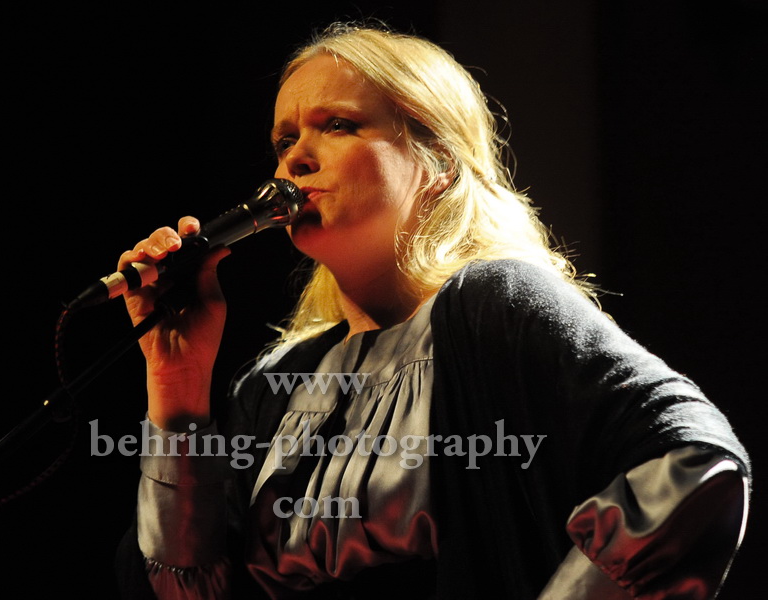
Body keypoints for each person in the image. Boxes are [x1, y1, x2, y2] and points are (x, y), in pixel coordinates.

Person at [114, 23, 750, 599]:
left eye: (336, 125)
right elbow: (187, 591)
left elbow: (694, 462)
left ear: (437, 161)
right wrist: (178, 388)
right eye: (284, 139)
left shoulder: (494, 308)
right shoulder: (277, 382)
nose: (294, 158)